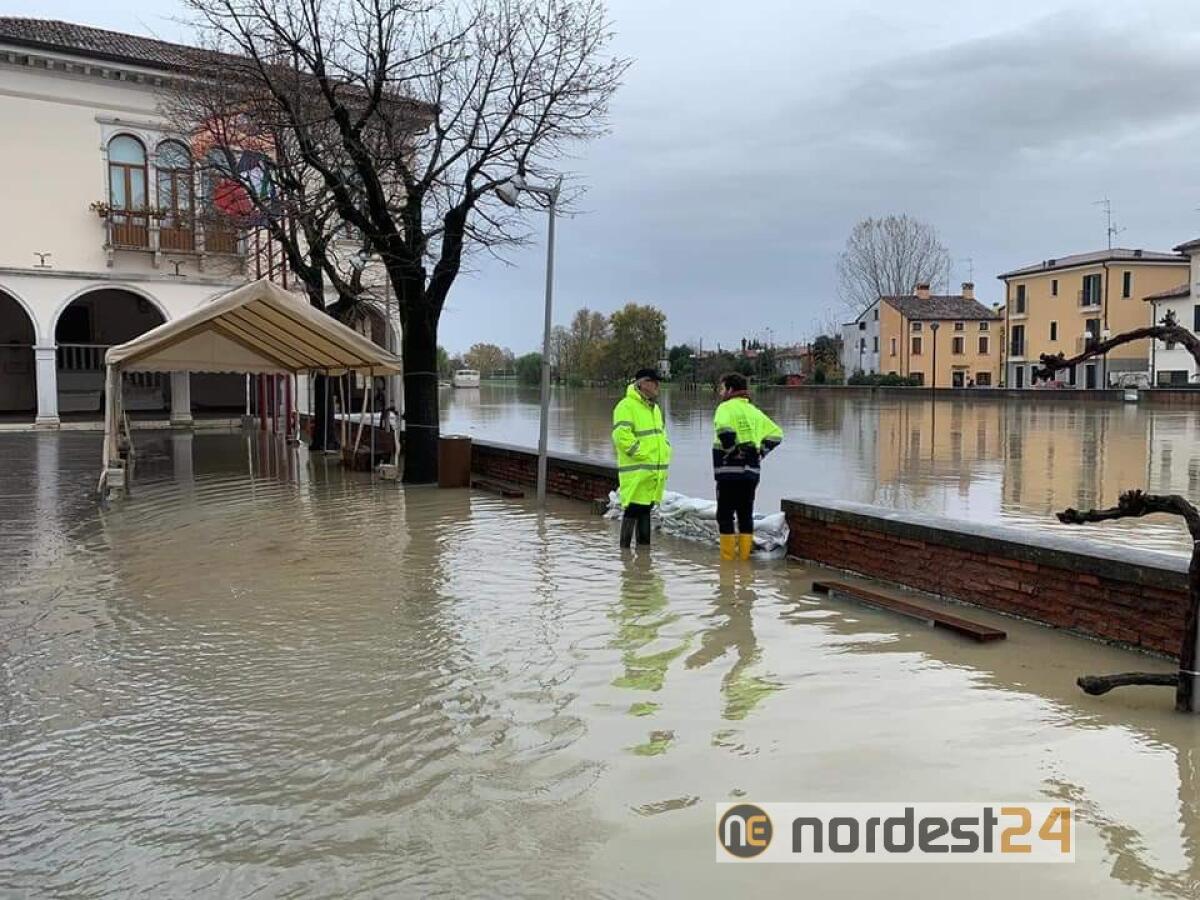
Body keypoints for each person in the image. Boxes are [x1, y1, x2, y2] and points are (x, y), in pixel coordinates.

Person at [712, 373, 783, 560]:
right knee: (745, 514)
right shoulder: (754, 412)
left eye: (722, 388)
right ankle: (743, 562)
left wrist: (732, 450)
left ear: (730, 390)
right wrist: (761, 452)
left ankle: (727, 562)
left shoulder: (725, 408)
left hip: (728, 472)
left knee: (725, 515)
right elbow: (777, 434)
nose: (720, 392)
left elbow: (723, 428)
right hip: (751, 473)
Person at [612, 368, 672, 549]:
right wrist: (643, 454)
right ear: (642, 383)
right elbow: (621, 436)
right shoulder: (626, 406)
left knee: (646, 510)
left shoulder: (655, 409)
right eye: (654, 382)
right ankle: (627, 558)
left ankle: (643, 556)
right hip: (637, 472)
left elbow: (661, 435)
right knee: (633, 510)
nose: (657, 386)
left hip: (653, 472)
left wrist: (666, 450)